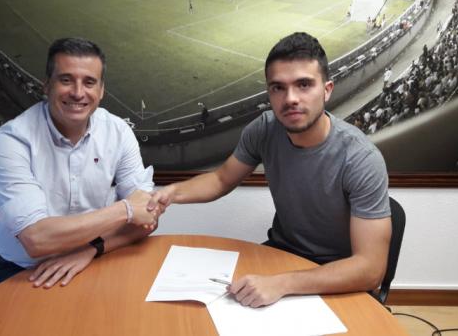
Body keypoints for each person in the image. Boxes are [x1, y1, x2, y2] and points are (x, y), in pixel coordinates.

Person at [148, 32, 391, 308]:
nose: (290, 98)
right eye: (278, 88)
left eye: (303, 85)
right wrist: (170, 193)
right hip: (281, 256)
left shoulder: (360, 158)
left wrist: (283, 283)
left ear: (327, 89)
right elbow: (220, 179)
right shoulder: (264, 129)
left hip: (338, 277)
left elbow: (370, 269)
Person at [0, 38, 158, 289]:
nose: (78, 92)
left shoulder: (118, 131)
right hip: (24, 271)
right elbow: (37, 240)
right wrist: (127, 210)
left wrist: (91, 249)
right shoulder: (12, 139)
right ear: (46, 86)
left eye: (89, 82)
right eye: (66, 80)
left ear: (101, 91)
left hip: (93, 258)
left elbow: (148, 218)